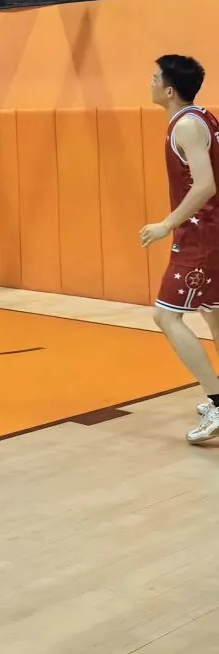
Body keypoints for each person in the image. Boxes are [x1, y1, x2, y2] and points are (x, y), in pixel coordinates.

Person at [141, 54, 219, 443]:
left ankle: (218, 402)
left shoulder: (186, 125)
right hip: (213, 233)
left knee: (166, 317)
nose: (150, 82)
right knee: (214, 313)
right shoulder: (203, 117)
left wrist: (166, 224)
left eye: (155, 77)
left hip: (200, 236)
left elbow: (205, 186)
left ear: (169, 90)